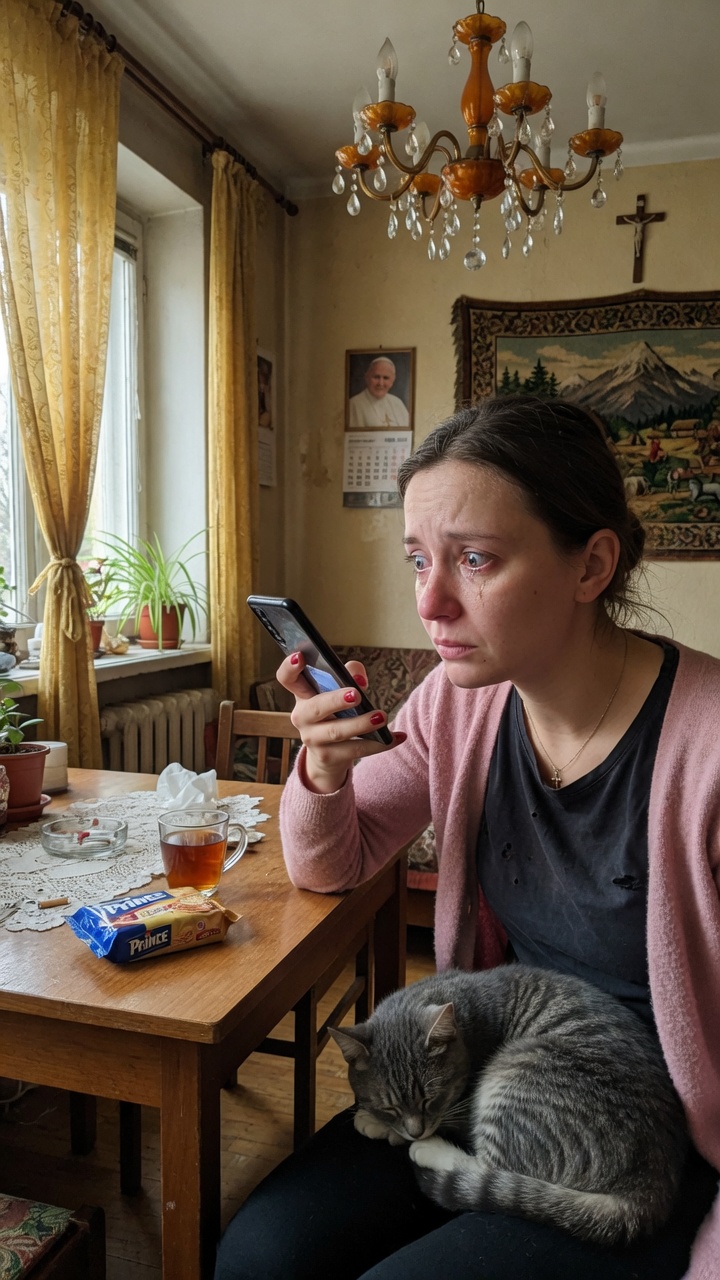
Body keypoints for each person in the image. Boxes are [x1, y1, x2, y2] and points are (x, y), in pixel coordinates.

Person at [214, 397, 720, 1280]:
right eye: (419, 560)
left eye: (475, 559)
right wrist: (323, 771)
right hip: (484, 1069)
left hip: (650, 1137)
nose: (431, 602)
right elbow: (331, 864)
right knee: (260, 1257)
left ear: (592, 564)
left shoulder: (706, 747)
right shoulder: (460, 703)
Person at [348, 356, 410, 428]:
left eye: (386, 378)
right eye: (376, 377)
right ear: (367, 377)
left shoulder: (397, 403)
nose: (380, 383)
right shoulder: (354, 404)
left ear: (392, 381)